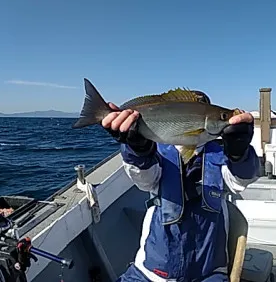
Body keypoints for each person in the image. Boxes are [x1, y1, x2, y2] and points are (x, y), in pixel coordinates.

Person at [102, 91, 260, 282]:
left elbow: (239, 181)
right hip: (152, 271)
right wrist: (138, 149)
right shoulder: (156, 150)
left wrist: (239, 153)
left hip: (209, 272)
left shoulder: (221, 152)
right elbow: (144, 181)